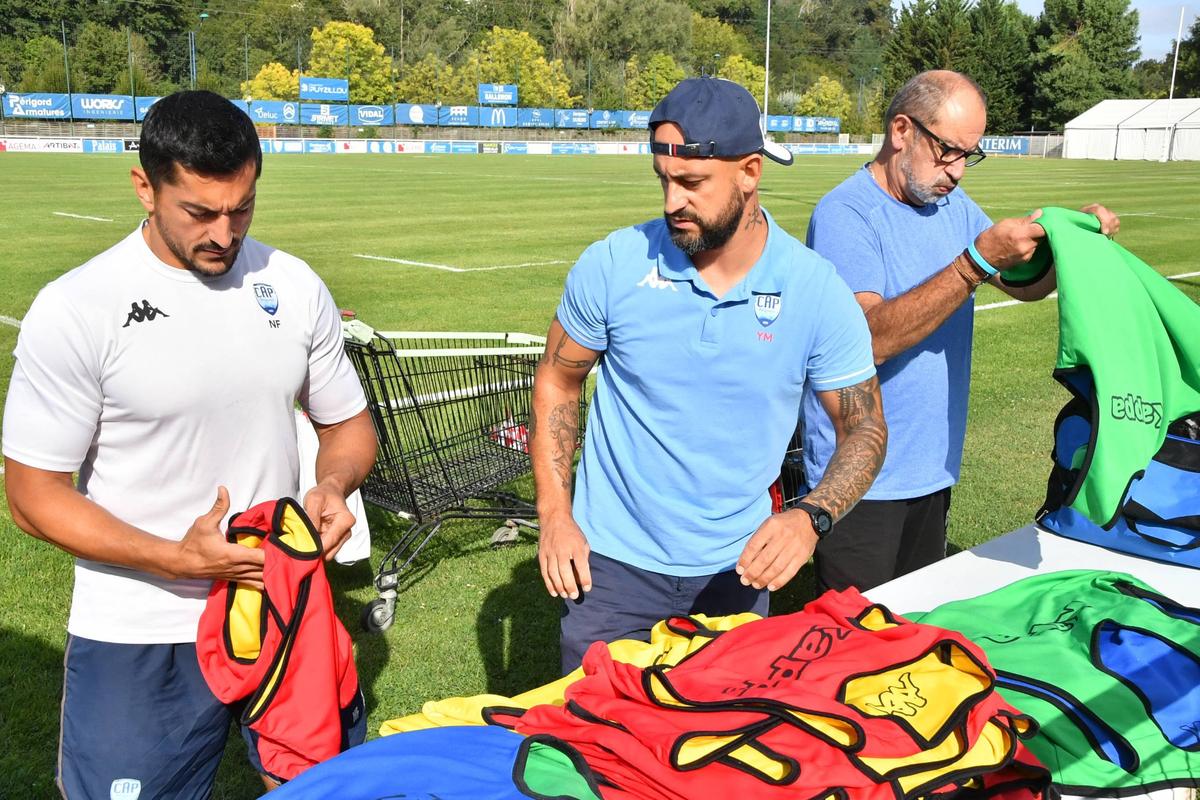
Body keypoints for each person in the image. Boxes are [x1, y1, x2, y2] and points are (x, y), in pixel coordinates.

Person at [2, 90, 378, 798]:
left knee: (329, 791)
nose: (225, 234)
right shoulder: (80, 307)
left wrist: (333, 485)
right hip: (142, 625)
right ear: (145, 186)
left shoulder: (290, 284)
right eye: (200, 213)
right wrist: (177, 556)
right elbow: (31, 497)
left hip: (285, 605)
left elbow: (348, 426)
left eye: (242, 208)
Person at [530, 77, 888, 674]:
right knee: (592, 750)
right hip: (610, 569)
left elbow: (866, 429)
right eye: (664, 181)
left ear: (750, 172)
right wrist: (554, 514)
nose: (672, 202)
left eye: (692, 184)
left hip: (738, 573)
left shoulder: (815, 289)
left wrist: (810, 516)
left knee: (721, 751)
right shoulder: (614, 265)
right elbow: (558, 381)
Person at [800, 70, 1119, 594]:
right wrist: (973, 263)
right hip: (859, 476)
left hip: (932, 466)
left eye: (970, 155)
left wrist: (1072, 237)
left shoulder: (950, 204)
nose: (958, 172)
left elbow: (1024, 284)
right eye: (949, 151)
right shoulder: (846, 212)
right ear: (902, 130)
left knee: (917, 630)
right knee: (857, 643)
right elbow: (868, 338)